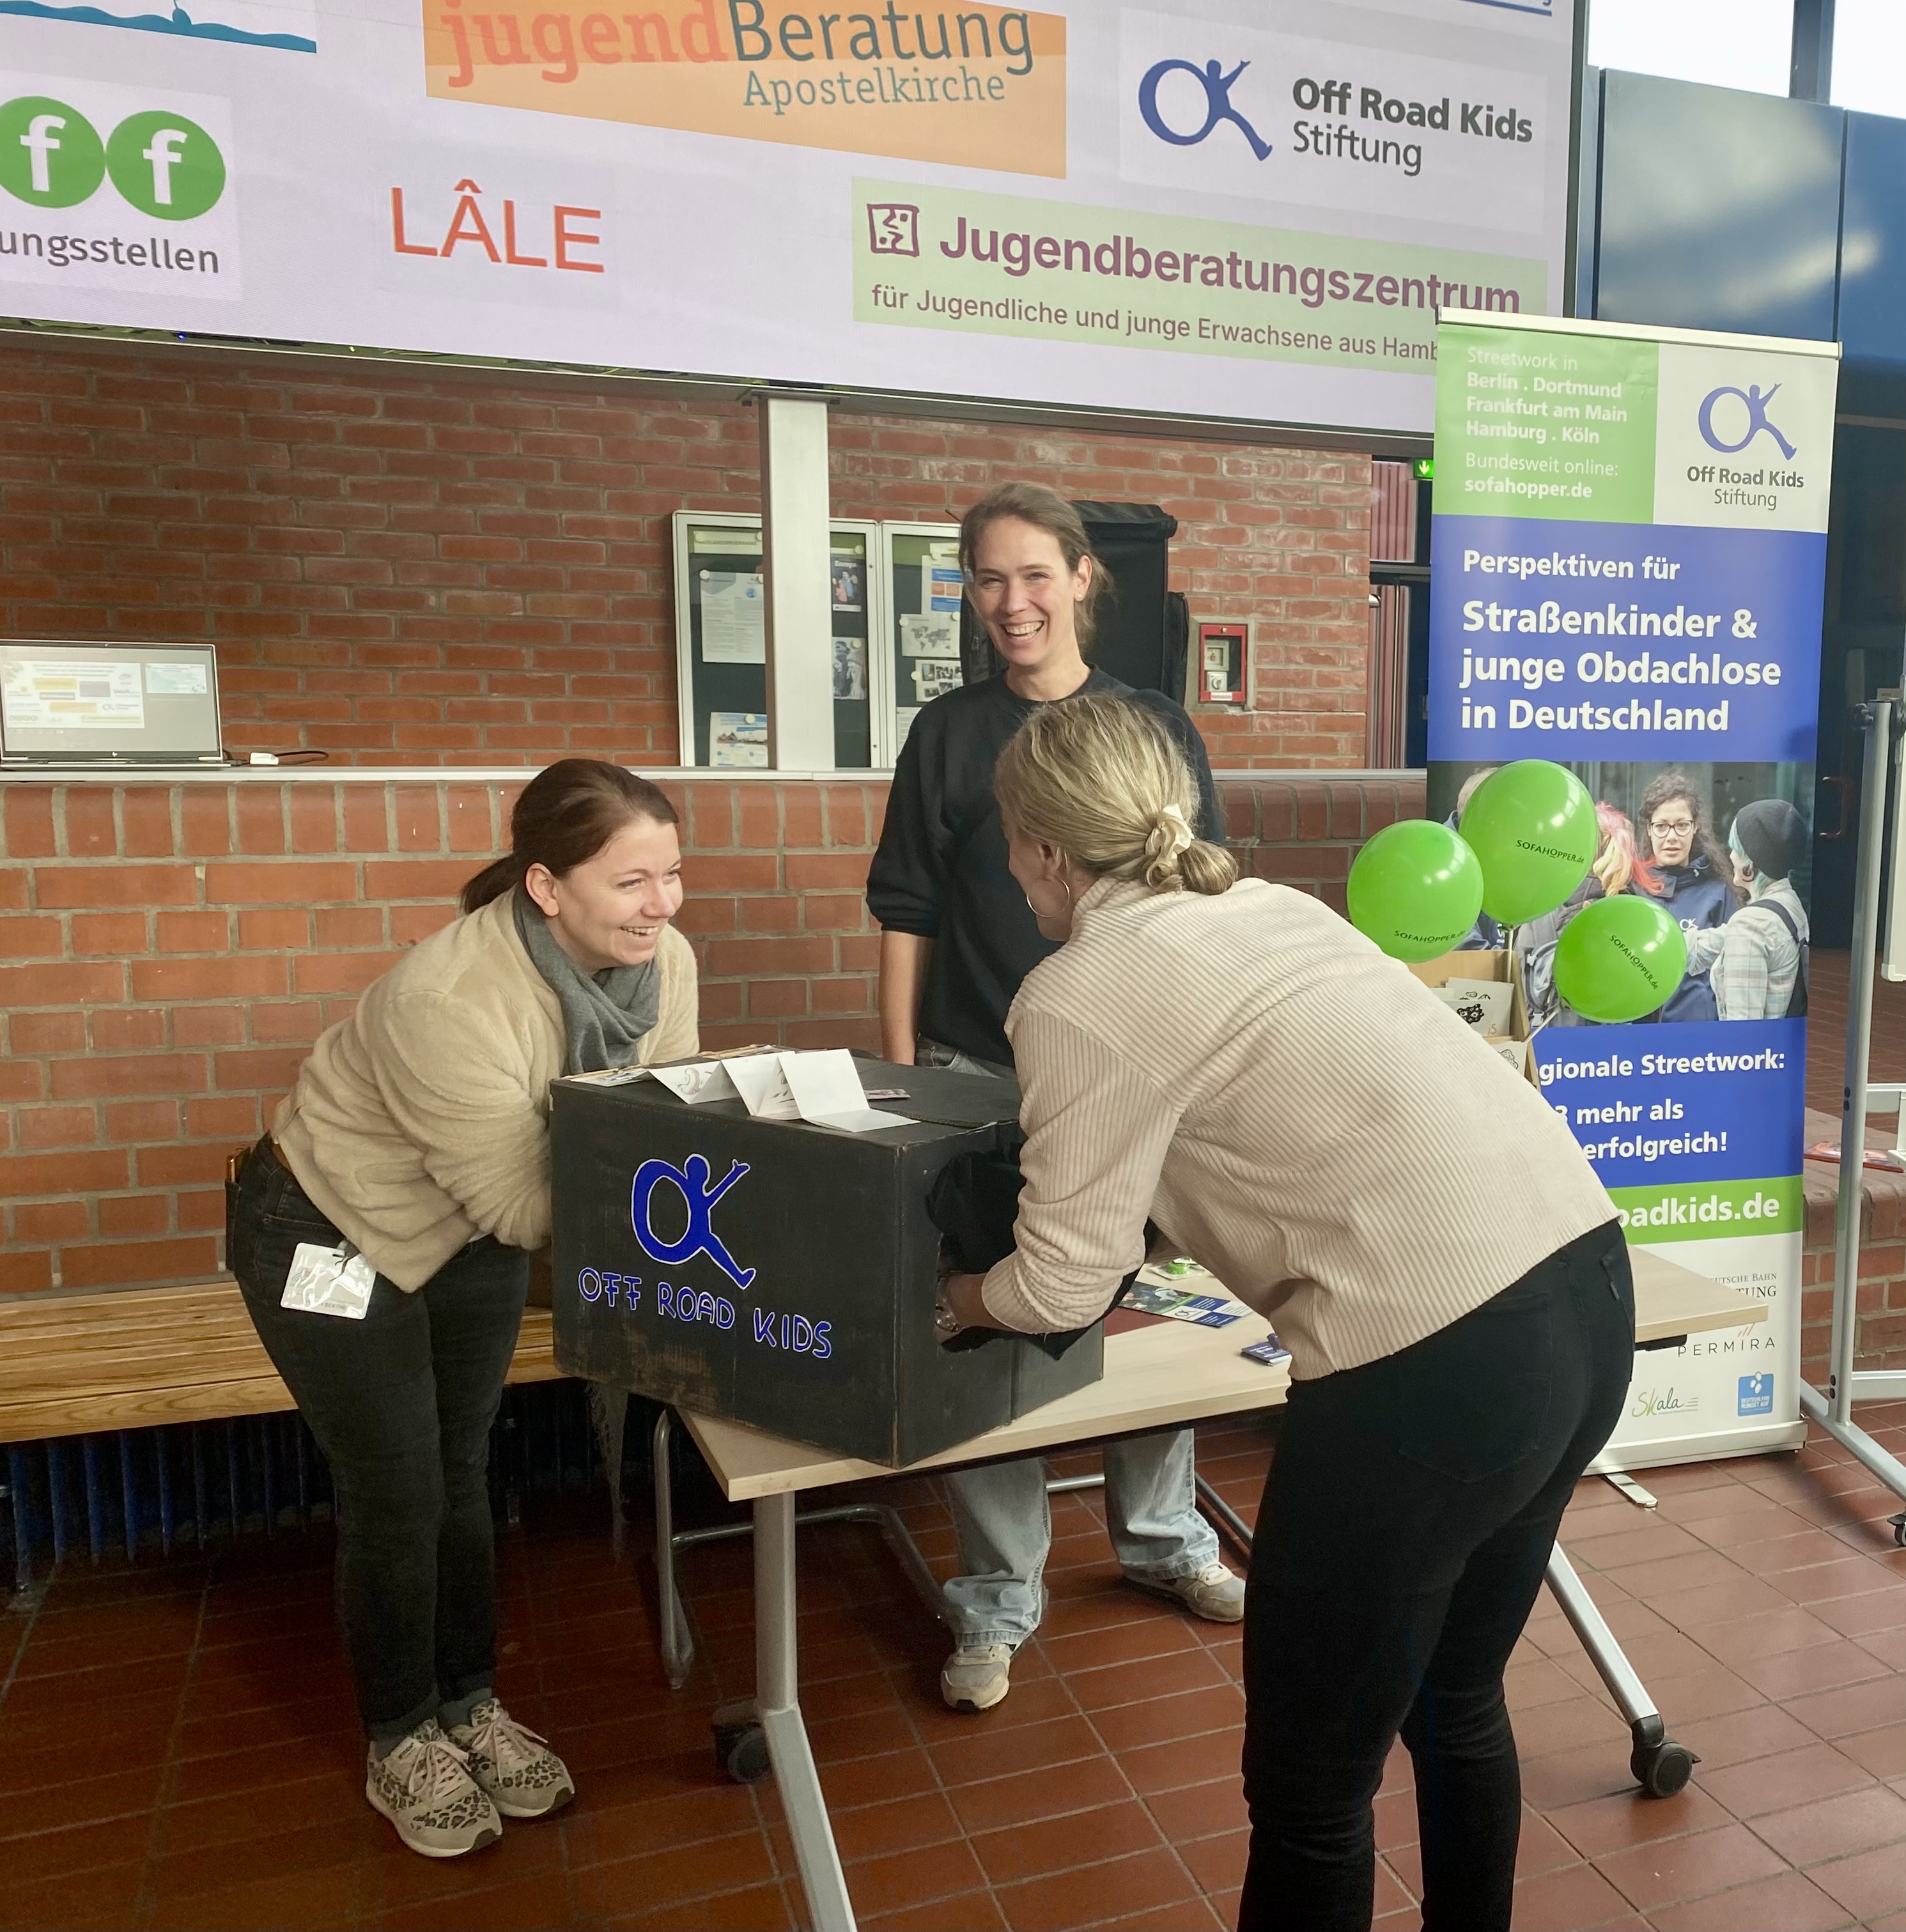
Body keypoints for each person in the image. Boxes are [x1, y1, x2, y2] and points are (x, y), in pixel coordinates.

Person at [938, 694, 1631, 1932]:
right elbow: (1256, 1129)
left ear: (1043, 847)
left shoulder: (1076, 988)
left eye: (1007, 840)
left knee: (1310, 1787)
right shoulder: (1270, 906)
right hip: (1585, 1288)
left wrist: (951, 1300)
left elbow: (1060, 1284)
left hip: (1436, 1363)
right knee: (1457, 1698)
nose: (1006, 864)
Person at [226, 759, 699, 1859]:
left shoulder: (663, 959)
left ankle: (470, 1701)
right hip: (329, 1230)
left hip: (467, 1231)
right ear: (546, 885)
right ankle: (401, 1736)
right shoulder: (446, 997)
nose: (661, 904)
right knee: (397, 1487)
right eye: (632, 880)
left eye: (673, 873)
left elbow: (661, 1122)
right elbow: (526, 1202)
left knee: (461, 1464)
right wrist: (685, 1219)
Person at [865, 481, 1244, 1717]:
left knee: (1138, 1295)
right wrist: (903, 1078)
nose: (1011, 600)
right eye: (988, 577)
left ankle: (1164, 1537)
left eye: (1034, 573)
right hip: (975, 1064)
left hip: (1129, 1057)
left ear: (1083, 578)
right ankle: (994, 1591)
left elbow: (1195, 897)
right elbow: (905, 910)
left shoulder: (1154, 726)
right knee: (981, 1315)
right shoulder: (946, 733)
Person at [1516, 801, 1658, 1028]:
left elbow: (1518, 996)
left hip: (1540, 1041)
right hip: (1610, 1047)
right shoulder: (1634, 918)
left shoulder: (1538, 912)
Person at [1680, 798, 1810, 1019]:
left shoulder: (1750, 925)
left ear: (1750, 866)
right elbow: (1714, 942)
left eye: (1736, 848)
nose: (1731, 855)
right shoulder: (1788, 904)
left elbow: (1743, 1027)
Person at [1634, 771, 1735, 1021]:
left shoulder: (1718, 892)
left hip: (1697, 1029)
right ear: (1649, 829)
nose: (1671, 837)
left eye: (1681, 826)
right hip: (1638, 1029)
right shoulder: (1631, 890)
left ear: (1695, 827)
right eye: (1661, 827)